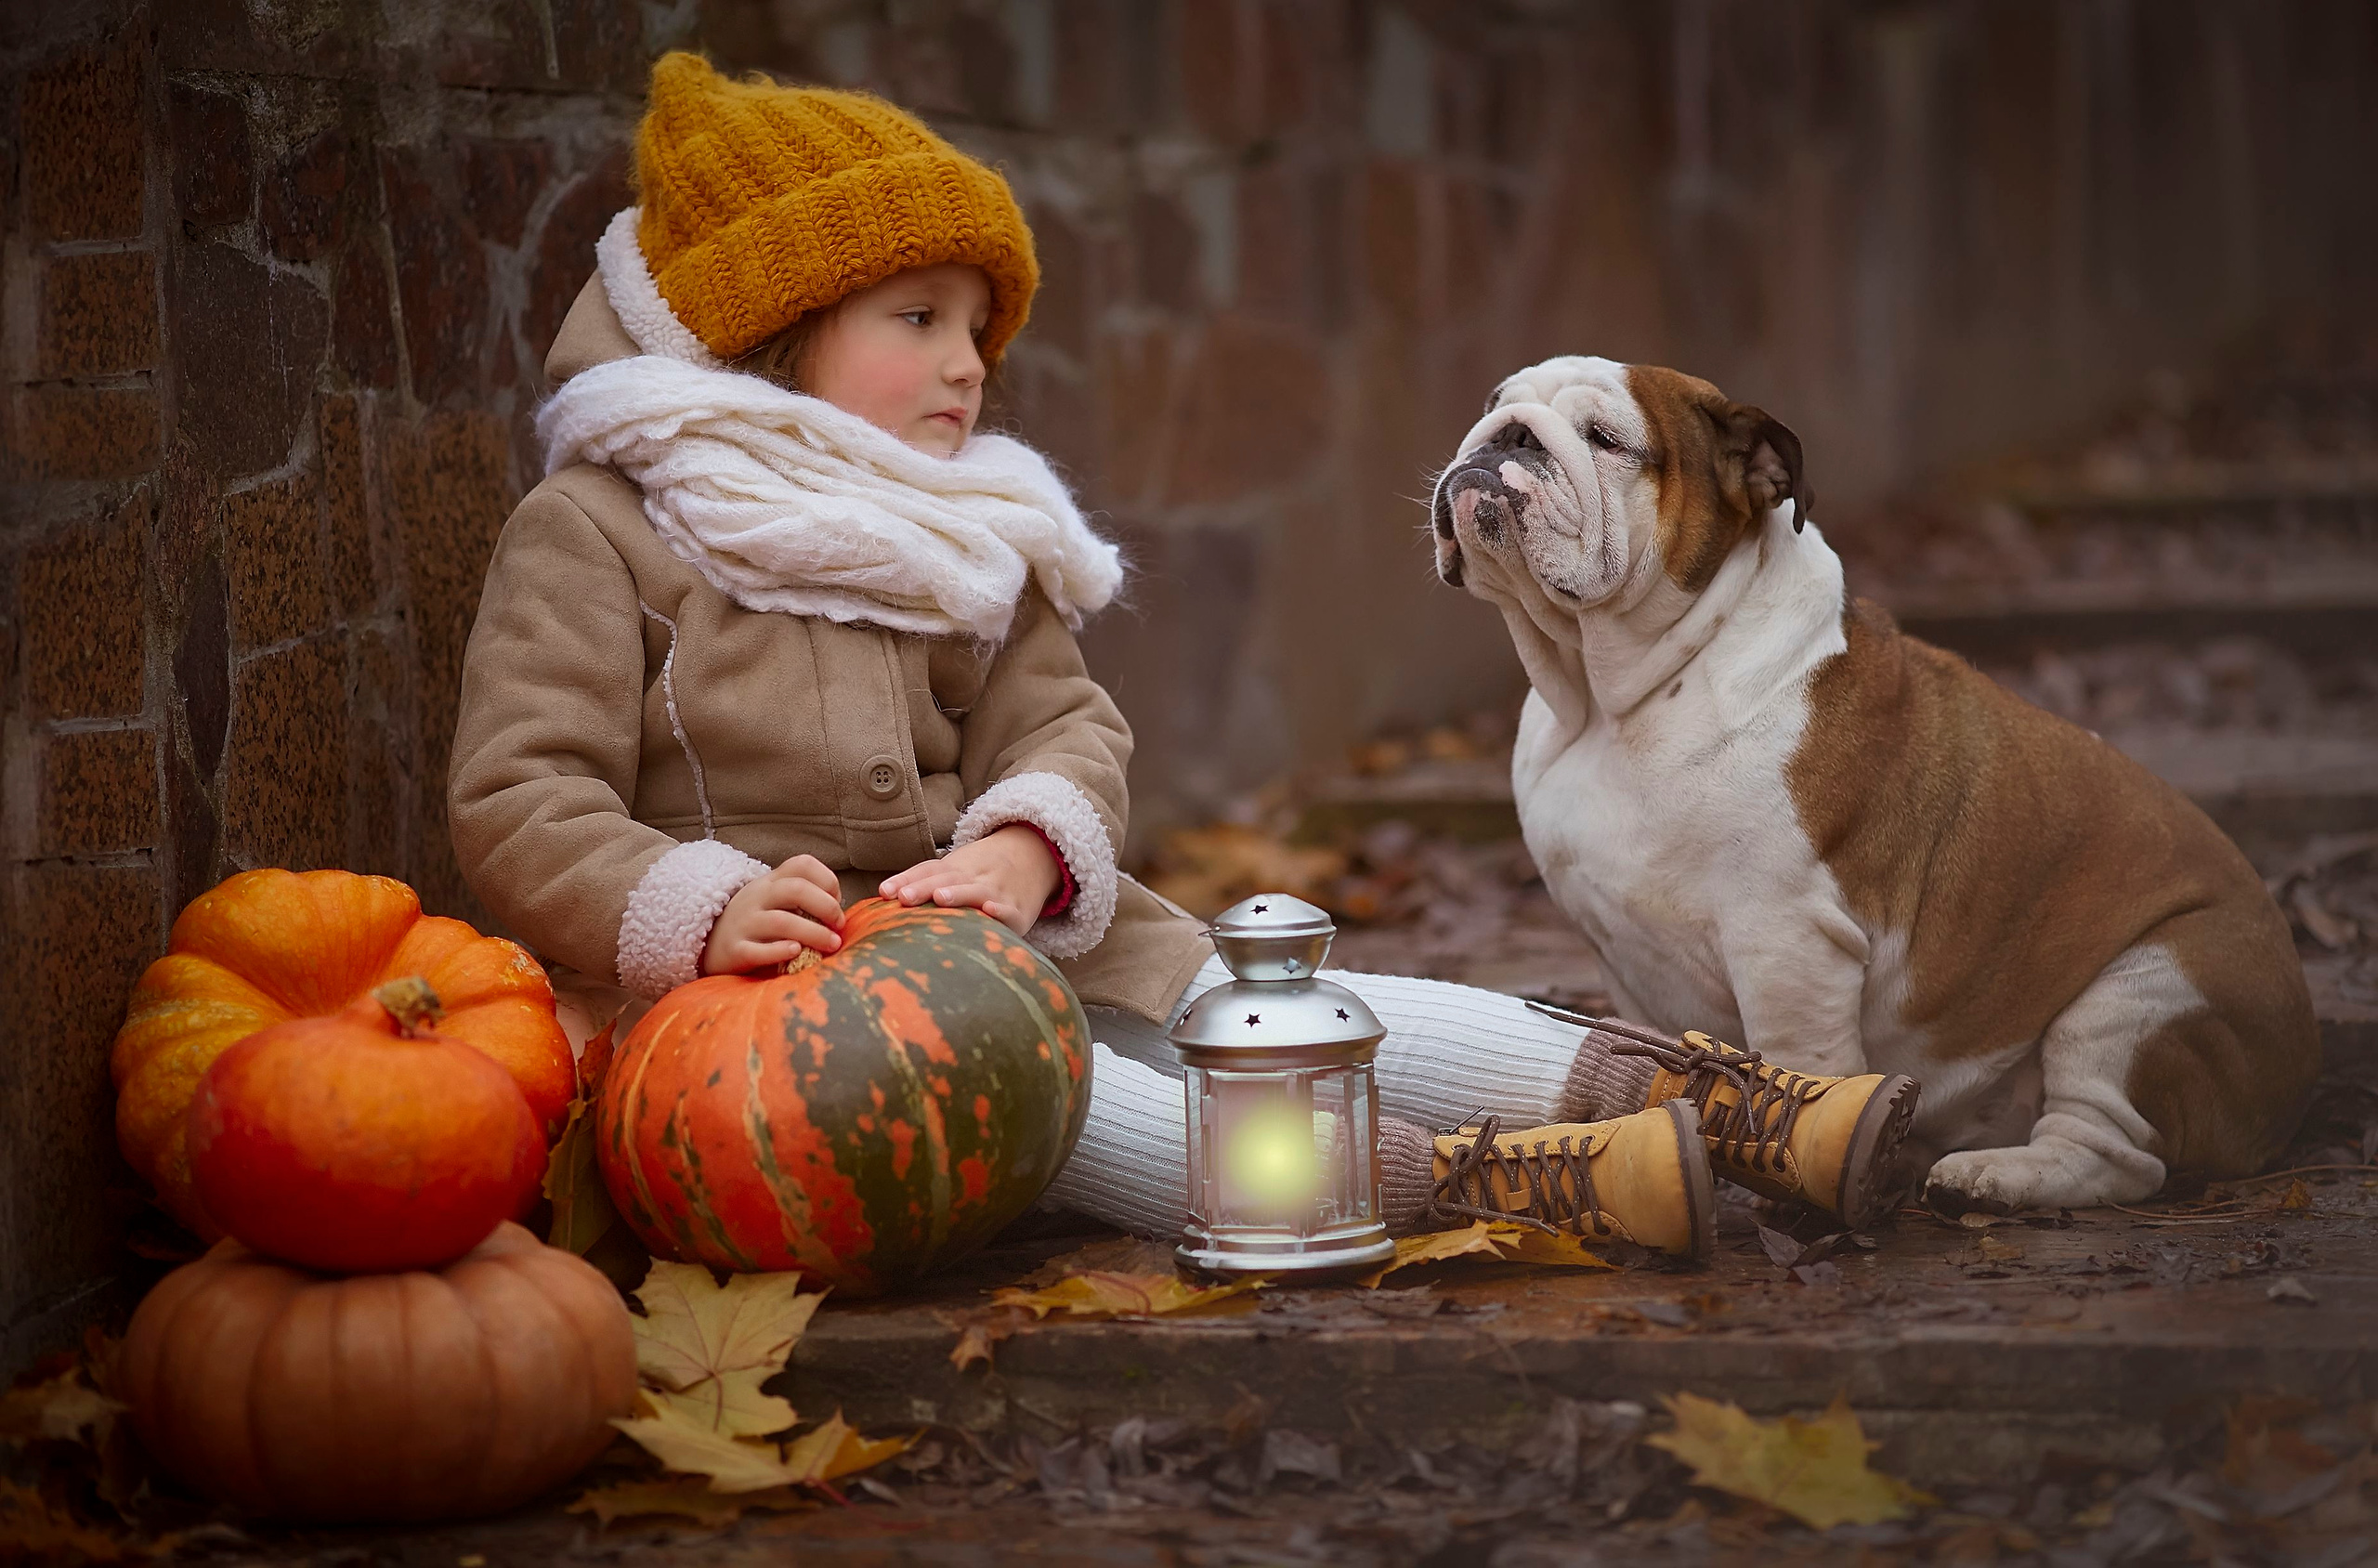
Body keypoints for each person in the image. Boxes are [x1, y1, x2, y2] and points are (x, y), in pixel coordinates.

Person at [448, 53, 1916, 1261]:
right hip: (767, 1034)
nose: (969, 363)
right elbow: (521, 799)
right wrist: (695, 907)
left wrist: (1031, 843)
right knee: (1080, 1107)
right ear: (761, 337)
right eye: (918, 321)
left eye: (980, 329)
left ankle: (1730, 1108)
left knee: (1279, 1004)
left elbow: (1064, 726)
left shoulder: (966, 534)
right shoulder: (603, 537)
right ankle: (1492, 1183)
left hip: (1009, 942)